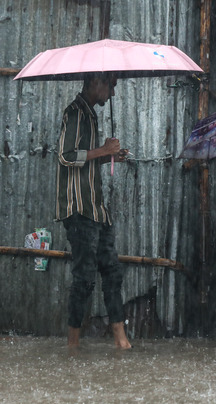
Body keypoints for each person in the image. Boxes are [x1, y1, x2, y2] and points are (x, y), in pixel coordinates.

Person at [56, 73, 131, 349]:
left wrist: (111, 156)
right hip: (79, 210)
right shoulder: (75, 113)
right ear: (96, 82)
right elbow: (65, 156)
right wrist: (102, 150)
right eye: (110, 86)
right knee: (85, 277)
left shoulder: (91, 115)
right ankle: (72, 345)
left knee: (112, 272)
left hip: (97, 209)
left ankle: (121, 340)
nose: (111, 93)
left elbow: (86, 162)